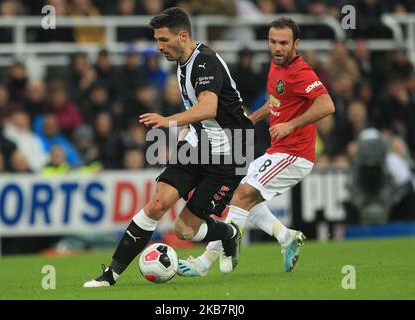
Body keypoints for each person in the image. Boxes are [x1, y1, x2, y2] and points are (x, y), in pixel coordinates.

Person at [83, 7, 254, 288]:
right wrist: (186, 132)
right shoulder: (181, 61)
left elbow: (209, 107)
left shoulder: (205, 62)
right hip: (198, 144)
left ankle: (228, 233)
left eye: (163, 40)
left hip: (231, 152)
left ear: (183, 35)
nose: (158, 47)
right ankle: (110, 275)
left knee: (185, 230)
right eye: (156, 40)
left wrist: (169, 121)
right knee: (157, 204)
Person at [177, 17, 335, 276]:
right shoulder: (275, 66)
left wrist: (291, 125)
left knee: (241, 195)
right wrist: (251, 119)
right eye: (273, 42)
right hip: (279, 150)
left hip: (295, 154)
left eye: (283, 43)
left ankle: (205, 262)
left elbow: (327, 105)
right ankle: (286, 237)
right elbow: (275, 102)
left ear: (296, 43)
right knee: (239, 192)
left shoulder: (301, 72)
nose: (277, 48)